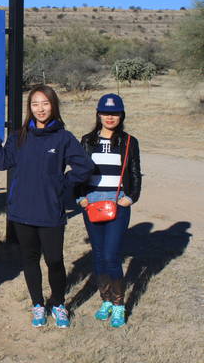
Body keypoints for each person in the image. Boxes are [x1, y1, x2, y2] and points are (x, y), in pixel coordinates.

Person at [0, 84, 93, 328]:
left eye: (45, 103)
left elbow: (85, 168)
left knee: (55, 261)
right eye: (35, 104)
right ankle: (38, 304)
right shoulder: (19, 136)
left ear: (53, 105)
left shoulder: (63, 138)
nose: (40, 108)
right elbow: (2, 162)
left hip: (50, 212)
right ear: (30, 108)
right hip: (22, 211)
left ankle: (58, 304)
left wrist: (62, 184)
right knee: (29, 260)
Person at [75, 93, 141, 328]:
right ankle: (106, 300)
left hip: (117, 203)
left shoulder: (129, 141)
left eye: (114, 113)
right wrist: (80, 197)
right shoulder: (86, 141)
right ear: (98, 114)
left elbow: (134, 172)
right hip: (92, 203)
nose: (110, 117)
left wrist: (131, 197)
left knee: (112, 256)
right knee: (100, 255)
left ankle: (119, 304)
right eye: (105, 112)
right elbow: (77, 172)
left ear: (121, 115)